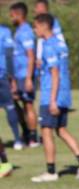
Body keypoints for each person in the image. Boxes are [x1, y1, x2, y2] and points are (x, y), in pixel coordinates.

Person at [30, 13, 79, 183]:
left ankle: (51, 172)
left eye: (36, 26)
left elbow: (55, 74)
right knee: (61, 130)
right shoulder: (61, 44)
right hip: (64, 93)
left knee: (46, 131)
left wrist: (53, 100)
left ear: (43, 26)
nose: (35, 29)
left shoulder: (49, 46)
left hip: (52, 95)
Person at [9, 2, 38, 148]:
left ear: (19, 14)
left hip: (24, 75)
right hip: (17, 75)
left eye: (12, 15)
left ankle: (33, 137)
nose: (11, 17)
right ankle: (26, 131)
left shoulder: (26, 31)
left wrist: (28, 78)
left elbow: (31, 55)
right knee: (15, 103)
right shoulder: (19, 31)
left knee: (28, 104)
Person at [1, 21, 23, 150]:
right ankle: (17, 140)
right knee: (9, 106)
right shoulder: (5, 31)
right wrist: (12, 77)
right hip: (2, 74)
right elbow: (9, 56)